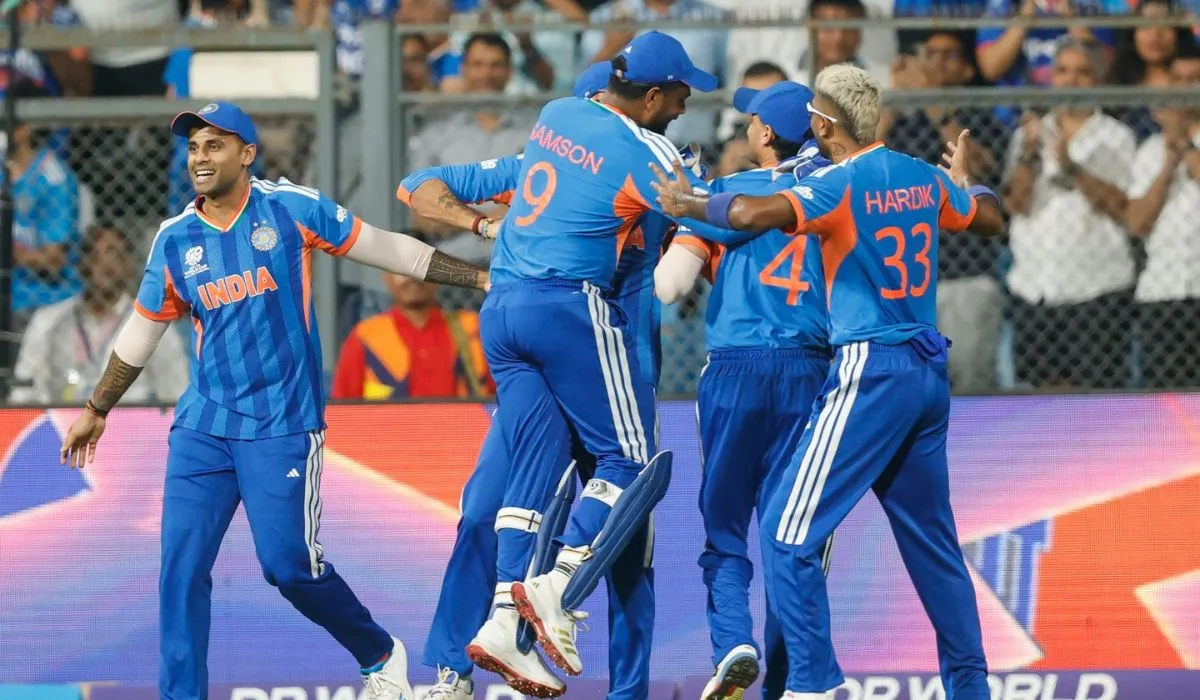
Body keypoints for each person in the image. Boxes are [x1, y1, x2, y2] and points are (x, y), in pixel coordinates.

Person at [57, 101, 489, 700]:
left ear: (247, 154)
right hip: (204, 426)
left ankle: (377, 651)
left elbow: (390, 249)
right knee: (180, 570)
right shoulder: (175, 238)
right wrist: (96, 409)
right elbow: (142, 331)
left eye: (214, 145)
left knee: (287, 566)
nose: (200, 157)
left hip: (282, 423)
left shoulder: (290, 209)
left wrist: (481, 278)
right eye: (193, 147)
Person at [649, 63, 1005, 699]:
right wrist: (969, 184)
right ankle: (971, 690)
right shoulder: (921, 176)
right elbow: (989, 219)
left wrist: (691, 204)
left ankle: (810, 688)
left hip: (869, 369)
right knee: (934, 546)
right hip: (927, 370)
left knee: (785, 532)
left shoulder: (837, 185)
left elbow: (752, 212)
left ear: (823, 124)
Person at [397, 61, 668, 699]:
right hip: (553, 359)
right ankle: (453, 671)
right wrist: (485, 226)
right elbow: (417, 186)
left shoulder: (651, 172)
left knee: (628, 552)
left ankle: (626, 692)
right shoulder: (540, 166)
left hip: (616, 370)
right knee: (481, 513)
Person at [476, 31, 719, 681]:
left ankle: (503, 617)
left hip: (502, 311)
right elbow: (706, 216)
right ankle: (555, 588)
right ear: (651, 96)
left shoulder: (557, 112)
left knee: (530, 474)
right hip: (568, 307)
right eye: (680, 94)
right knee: (635, 465)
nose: (684, 107)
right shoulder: (649, 149)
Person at [653, 80, 835, 700]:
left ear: (764, 134)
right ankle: (791, 682)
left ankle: (733, 640)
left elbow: (670, 287)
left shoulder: (725, 195)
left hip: (734, 369)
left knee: (726, 524)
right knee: (795, 535)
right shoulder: (835, 192)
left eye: (752, 118)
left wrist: (685, 217)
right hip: (812, 371)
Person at [11, 226, 188, 405]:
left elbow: (176, 393)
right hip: (61, 418)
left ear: (129, 266)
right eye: (93, 253)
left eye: (113, 254)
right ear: (80, 265)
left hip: (127, 420)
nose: (103, 262)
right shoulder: (47, 320)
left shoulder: (151, 324)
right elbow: (23, 392)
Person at [330, 272, 492, 400]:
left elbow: (499, 394)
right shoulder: (365, 335)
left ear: (437, 277)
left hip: (464, 430)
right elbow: (343, 409)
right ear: (387, 278)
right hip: (389, 432)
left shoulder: (471, 327)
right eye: (401, 270)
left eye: (420, 268)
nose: (411, 277)